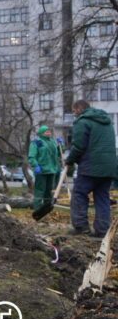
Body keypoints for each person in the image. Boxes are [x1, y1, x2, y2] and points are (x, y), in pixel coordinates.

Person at [66, 100, 118, 237]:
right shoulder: (107, 121)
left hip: (91, 166)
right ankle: (102, 230)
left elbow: (78, 146)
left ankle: (81, 227)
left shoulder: (82, 121)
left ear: (78, 108)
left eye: (73, 111)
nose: (74, 114)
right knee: (102, 197)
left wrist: (70, 160)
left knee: (79, 194)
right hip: (109, 167)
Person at [28, 125, 61, 220]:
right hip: (41, 171)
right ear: (41, 133)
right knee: (39, 191)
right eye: (46, 131)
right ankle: (38, 211)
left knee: (49, 192)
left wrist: (60, 145)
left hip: (52, 170)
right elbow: (31, 156)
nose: (49, 133)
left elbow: (58, 154)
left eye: (49, 131)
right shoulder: (37, 142)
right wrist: (36, 165)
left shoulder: (53, 142)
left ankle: (46, 211)